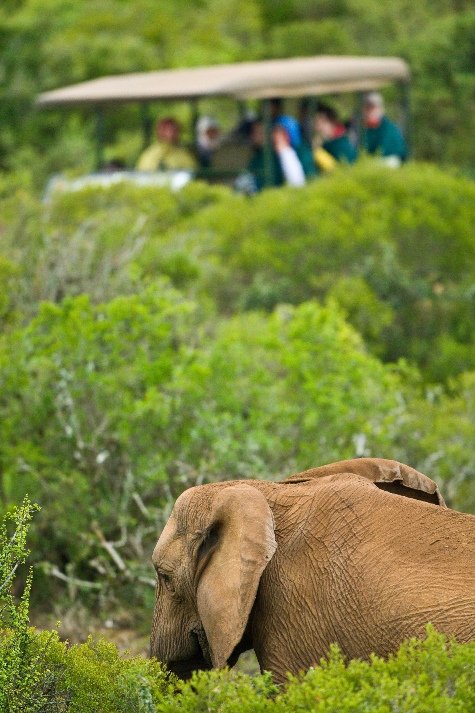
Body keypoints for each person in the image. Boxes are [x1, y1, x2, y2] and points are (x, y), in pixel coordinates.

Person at [362, 92, 408, 167]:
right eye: (367, 108)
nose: (369, 111)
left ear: (380, 108)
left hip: (390, 162)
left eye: (372, 107)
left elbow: (392, 155)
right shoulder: (363, 127)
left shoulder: (389, 128)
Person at [314, 103, 358, 169]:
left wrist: (316, 149)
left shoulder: (342, 141)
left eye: (320, 123)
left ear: (331, 121)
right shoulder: (325, 141)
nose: (317, 128)